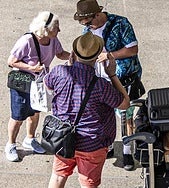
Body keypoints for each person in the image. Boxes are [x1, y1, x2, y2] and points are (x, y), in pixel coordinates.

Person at [45, 31, 130, 188]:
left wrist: (70, 67)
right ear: (97, 56)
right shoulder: (101, 86)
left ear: (74, 53)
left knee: (57, 177)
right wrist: (112, 75)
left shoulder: (58, 72)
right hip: (92, 144)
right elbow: (125, 103)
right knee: (88, 184)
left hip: (62, 138)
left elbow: (47, 85)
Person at [74, 0, 143, 171]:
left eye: (89, 22)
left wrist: (109, 55)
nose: (88, 26)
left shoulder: (121, 23)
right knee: (104, 114)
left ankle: (127, 151)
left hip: (122, 78)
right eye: (84, 24)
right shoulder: (87, 29)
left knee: (125, 114)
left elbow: (132, 49)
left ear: (97, 14)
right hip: (98, 80)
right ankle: (109, 146)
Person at [5, 11, 70, 162]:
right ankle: (11, 144)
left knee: (35, 112)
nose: (59, 30)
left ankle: (30, 138)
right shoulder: (27, 40)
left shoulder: (53, 40)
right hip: (22, 84)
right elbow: (11, 61)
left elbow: (60, 54)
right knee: (18, 116)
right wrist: (31, 68)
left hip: (38, 84)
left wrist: (75, 56)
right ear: (45, 29)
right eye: (56, 27)